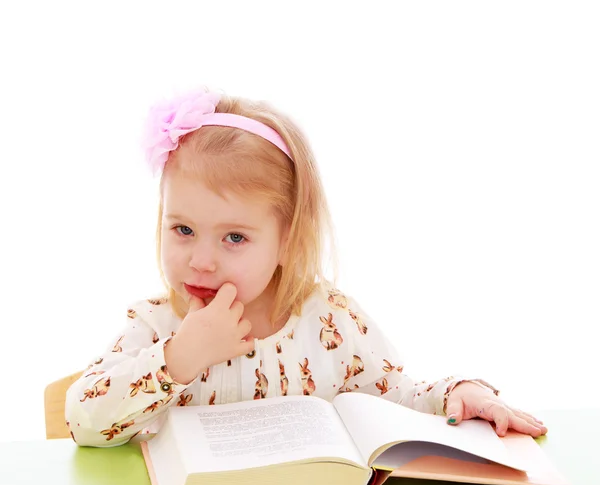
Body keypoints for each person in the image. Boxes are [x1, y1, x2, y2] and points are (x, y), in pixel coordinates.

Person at [65, 87, 547, 447]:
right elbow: (83, 420)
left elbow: (397, 398)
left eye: (234, 237)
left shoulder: (330, 320)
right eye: (182, 230)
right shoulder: (155, 325)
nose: (201, 260)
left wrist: (456, 394)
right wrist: (179, 358)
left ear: (287, 240)